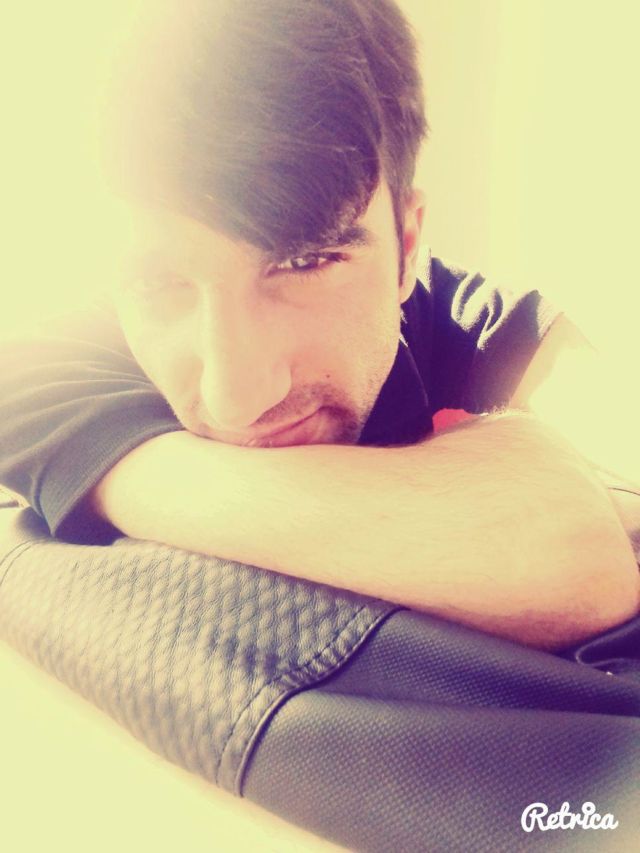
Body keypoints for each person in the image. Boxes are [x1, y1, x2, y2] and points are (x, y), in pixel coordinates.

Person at [0, 0, 638, 653]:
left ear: (406, 245)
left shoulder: (469, 318)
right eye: (159, 283)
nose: (235, 400)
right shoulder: (35, 377)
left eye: (304, 261)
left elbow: (591, 506)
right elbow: (564, 549)